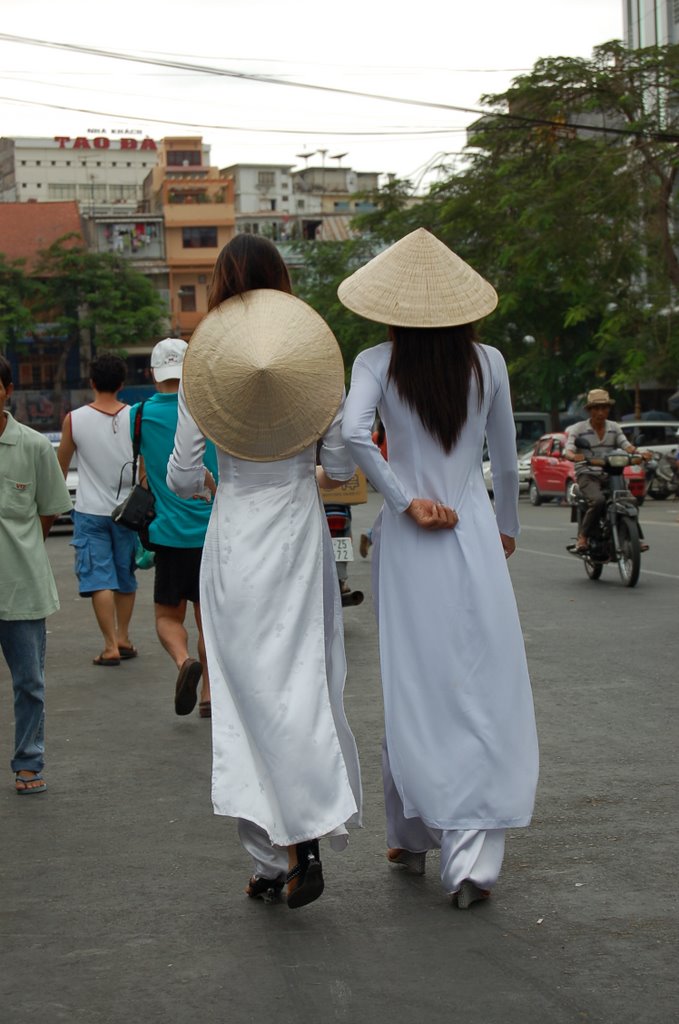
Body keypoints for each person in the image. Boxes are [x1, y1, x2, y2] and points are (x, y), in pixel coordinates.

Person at [339, 227, 539, 908]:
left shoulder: (373, 361)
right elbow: (507, 463)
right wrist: (504, 530)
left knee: (414, 683)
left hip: (409, 537)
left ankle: (412, 833)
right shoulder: (489, 361)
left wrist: (402, 500)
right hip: (473, 531)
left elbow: (348, 435)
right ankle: (472, 858)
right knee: (480, 685)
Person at [167, 235, 362, 909]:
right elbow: (339, 469)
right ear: (281, 279)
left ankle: (270, 861)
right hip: (297, 531)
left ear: (221, 284)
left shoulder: (205, 359)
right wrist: (300, 469)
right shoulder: (312, 354)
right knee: (298, 683)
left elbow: (183, 474)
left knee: (244, 692)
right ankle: (302, 839)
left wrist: (221, 483)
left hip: (234, 534)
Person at [130, 338, 218, 717]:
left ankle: (184, 662)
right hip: (214, 533)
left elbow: (139, 468)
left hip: (168, 536)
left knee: (168, 617)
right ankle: (209, 694)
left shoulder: (138, 415)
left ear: (153, 373)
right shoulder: (211, 409)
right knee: (208, 621)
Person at [0, 355, 73, 793]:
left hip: (22, 587)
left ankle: (29, 761)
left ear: (7, 389)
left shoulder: (32, 446)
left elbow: (49, 512)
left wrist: (20, 549)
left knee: (30, 681)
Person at [57, 354, 137, 666]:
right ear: (121, 384)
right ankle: (124, 637)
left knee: (99, 578)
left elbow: (60, 467)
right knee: (125, 575)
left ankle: (108, 646)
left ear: (91, 382)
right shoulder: (136, 416)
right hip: (127, 510)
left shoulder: (74, 420)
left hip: (90, 511)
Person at [564, 389, 652, 552]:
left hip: (611, 473)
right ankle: (582, 537)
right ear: (589, 410)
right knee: (598, 501)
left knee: (630, 500)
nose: (600, 412)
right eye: (596, 408)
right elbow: (568, 449)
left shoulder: (614, 427)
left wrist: (639, 453)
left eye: (604, 408)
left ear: (608, 409)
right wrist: (572, 456)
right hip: (588, 474)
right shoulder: (578, 429)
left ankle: (634, 538)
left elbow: (626, 445)